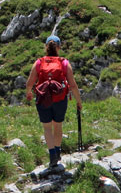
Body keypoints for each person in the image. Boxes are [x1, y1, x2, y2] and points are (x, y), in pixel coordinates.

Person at [25, 34, 82, 167]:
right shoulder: (64, 63)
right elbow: (73, 85)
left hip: (43, 98)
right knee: (58, 125)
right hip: (60, 98)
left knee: (47, 128)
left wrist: (28, 93)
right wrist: (79, 101)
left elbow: (29, 83)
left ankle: (52, 155)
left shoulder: (39, 62)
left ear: (46, 47)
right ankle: (57, 150)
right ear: (59, 47)